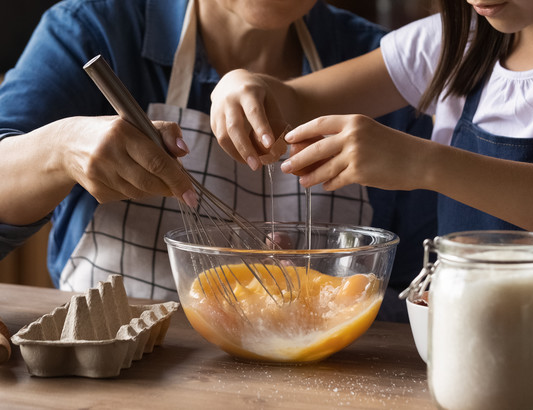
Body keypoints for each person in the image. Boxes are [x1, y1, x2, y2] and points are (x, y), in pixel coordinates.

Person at [0, 0, 435, 318]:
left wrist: (322, 284)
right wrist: (58, 149)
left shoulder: (390, 70)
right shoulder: (95, 29)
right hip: (118, 372)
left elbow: (420, 282)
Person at [210, 0, 533, 291]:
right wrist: (247, 85)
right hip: (459, 346)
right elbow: (297, 100)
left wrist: (424, 164)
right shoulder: (452, 44)